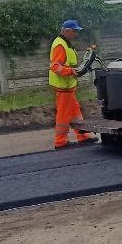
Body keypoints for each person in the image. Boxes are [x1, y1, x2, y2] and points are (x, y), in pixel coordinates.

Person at [48, 20, 100, 149]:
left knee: (75, 112)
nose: (76, 34)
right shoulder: (60, 45)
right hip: (63, 87)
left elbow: (70, 62)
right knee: (63, 115)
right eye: (74, 31)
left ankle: (83, 136)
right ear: (66, 31)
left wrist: (88, 54)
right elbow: (56, 67)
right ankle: (60, 142)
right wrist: (72, 71)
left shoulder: (66, 43)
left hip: (67, 87)